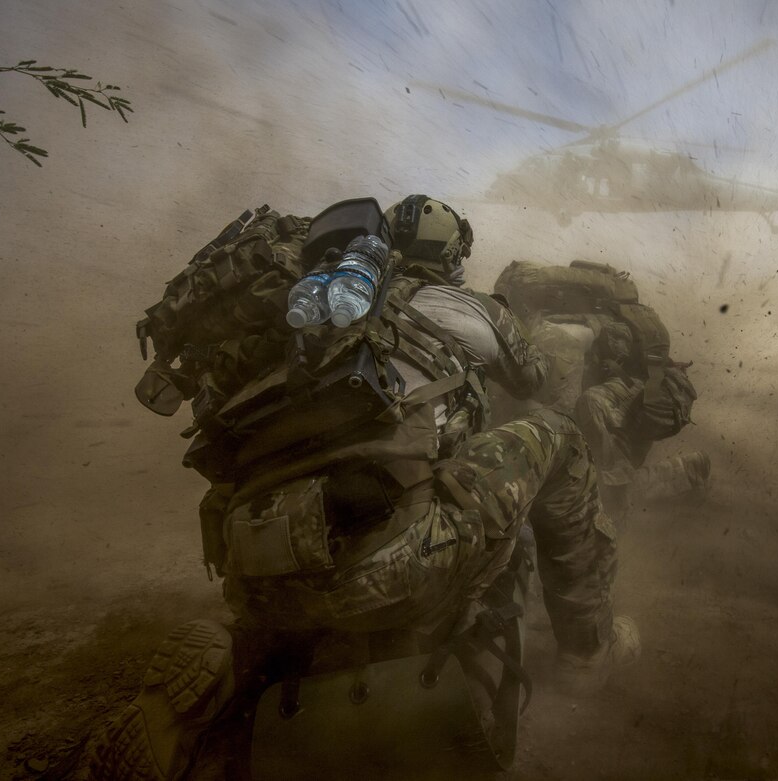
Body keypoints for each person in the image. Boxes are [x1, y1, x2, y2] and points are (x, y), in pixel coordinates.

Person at [89, 196, 638, 780]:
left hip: (255, 575)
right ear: (454, 255)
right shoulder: (466, 305)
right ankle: (586, 650)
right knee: (560, 439)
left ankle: (233, 664)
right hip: (397, 566)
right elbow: (534, 379)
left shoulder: (309, 311)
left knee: (315, 581)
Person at [492, 259, 710, 525]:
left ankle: (634, 496)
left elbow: (560, 407)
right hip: (622, 418)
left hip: (620, 418)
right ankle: (688, 470)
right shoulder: (587, 323)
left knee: (595, 494)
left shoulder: (569, 331)